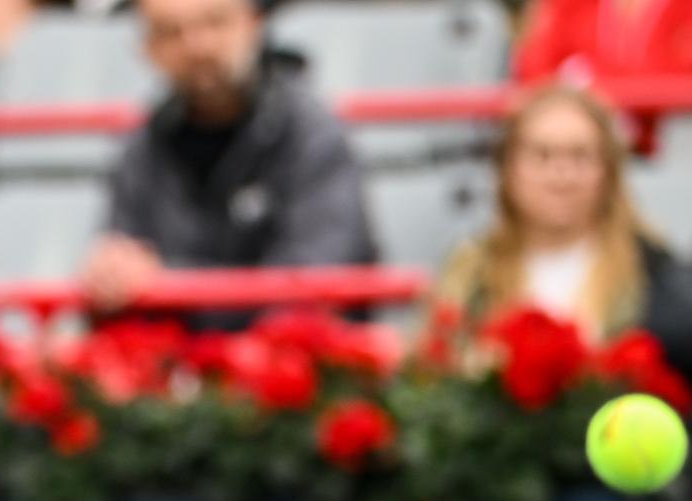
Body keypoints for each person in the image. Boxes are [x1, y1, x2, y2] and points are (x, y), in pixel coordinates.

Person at [82, 0, 376, 317]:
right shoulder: (142, 150)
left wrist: (167, 283)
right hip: (181, 362)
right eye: (170, 32)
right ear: (147, 48)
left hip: (289, 359)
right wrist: (113, 275)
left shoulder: (313, 133)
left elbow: (318, 277)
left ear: (254, 22)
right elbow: (121, 261)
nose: (197, 46)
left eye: (215, 22)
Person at [433, 85, 692, 380]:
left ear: (608, 171)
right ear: (508, 168)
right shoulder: (469, 273)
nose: (561, 174)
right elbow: (434, 374)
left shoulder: (658, 277)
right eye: (542, 156)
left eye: (580, 157)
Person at [513, 0, 692, 154]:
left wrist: (591, 78)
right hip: (583, 150)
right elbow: (534, 70)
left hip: (671, 152)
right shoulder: (570, 6)